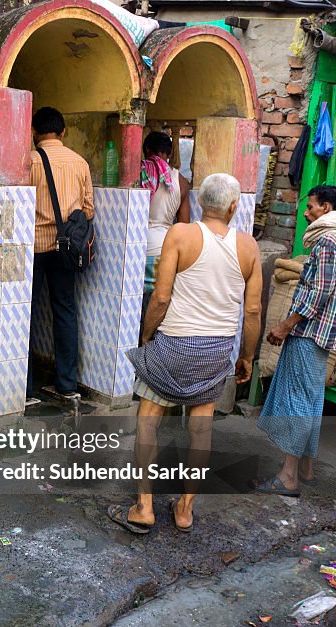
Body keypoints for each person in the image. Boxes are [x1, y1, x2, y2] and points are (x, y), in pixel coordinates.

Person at [107, 173, 262, 534]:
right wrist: (247, 357)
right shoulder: (249, 247)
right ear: (234, 207)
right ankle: (185, 509)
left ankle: (144, 506)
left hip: (175, 343)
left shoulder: (181, 234)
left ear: (197, 202)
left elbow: (161, 297)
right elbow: (252, 312)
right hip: (217, 349)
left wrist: (146, 336)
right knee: (201, 430)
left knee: (148, 420)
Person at [255, 185, 336, 495]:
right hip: (321, 334)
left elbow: (316, 294)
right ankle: (304, 467)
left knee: (298, 402)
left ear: (327, 208)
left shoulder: (328, 241)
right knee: (310, 399)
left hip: (309, 333)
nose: (306, 213)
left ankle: (288, 476)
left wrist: (285, 325)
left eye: (312, 207)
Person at [27, 106, 95, 405]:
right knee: (65, 311)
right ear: (63, 131)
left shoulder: (29, 162)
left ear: (33, 132)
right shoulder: (80, 162)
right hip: (67, 249)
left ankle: (25, 389)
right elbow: (89, 210)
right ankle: (67, 385)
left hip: (35, 246)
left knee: (24, 314)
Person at [140, 131, 191, 322]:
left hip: (139, 246)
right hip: (166, 249)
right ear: (169, 153)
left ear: (147, 150)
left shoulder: (139, 172)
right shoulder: (182, 183)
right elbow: (184, 226)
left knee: (135, 302)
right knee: (159, 301)